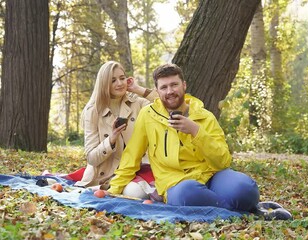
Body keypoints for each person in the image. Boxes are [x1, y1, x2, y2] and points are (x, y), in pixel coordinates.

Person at [108, 63, 292, 220]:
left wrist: (196, 131)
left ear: (184, 85)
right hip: (177, 182)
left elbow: (223, 161)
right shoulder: (148, 116)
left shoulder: (205, 116)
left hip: (211, 176)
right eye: (164, 87)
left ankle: (231, 204)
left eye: (174, 85)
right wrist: (114, 190)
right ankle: (250, 211)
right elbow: (132, 155)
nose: (170, 91)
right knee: (187, 193)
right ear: (157, 91)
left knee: (245, 189)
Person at [74, 61, 159, 200]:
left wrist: (138, 89)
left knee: (136, 193)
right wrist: (111, 140)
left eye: (122, 78)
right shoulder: (93, 111)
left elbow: (167, 103)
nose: (119, 83)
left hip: (136, 170)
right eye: (113, 80)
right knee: (134, 193)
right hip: (106, 174)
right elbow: (91, 158)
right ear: (104, 83)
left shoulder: (136, 103)